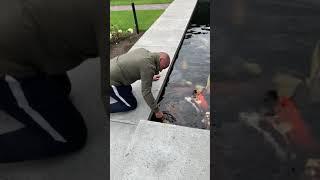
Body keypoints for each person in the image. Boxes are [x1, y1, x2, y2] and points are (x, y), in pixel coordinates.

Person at [0, 0, 107, 163]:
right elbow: (110, 95)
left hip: (15, 22)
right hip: (6, 58)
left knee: (62, 89)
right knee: (68, 136)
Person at [110, 48, 170, 119]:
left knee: (129, 89)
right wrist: (157, 111)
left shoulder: (144, 52)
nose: (161, 70)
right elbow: (146, 92)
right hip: (110, 81)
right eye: (163, 67)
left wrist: (149, 76)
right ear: (161, 60)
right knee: (131, 105)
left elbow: (139, 67)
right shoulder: (148, 67)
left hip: (111, 67)